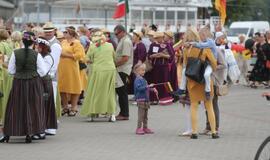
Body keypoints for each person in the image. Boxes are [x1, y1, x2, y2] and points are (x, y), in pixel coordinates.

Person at [0, 32, 48, 143]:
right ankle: (30, 132)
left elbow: (11, 71)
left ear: (22, 41)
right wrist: (32, 73)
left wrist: (20, 73)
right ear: (33, 42)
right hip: (33, 83)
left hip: (18, 83)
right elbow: (43, 71)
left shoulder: (15, 53)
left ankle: (9, 132)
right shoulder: (37, 55)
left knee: (15, 107)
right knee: (32, 107)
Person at [181, 27, 219, 139]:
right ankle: (213, 132)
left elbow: (185, 65)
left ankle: (194, 132)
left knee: (194, 106)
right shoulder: (205, 48)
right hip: (204, 81)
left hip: (192, 82)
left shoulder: (186, 50)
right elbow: (214, 64)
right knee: (209, 106)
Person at [80, 31, 116, 122]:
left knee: (95, 91)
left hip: (98, 71)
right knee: (109, 92)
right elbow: (113, 57)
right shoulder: (110, 45)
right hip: (110, 70)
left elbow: (86, 59)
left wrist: (92, 61)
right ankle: (112, 114)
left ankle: (92, 113)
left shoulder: (93, 46)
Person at [32, 37, 58, 140]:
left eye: (37, 45)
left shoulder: (47, 57)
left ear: (42, 47)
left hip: (44, 83)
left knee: (45, 104)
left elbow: (43, 71)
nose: (36, 47)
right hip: (38, 81)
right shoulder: (38, 56)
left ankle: (45, 128)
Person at [58, 27, 84, 116]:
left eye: (66, 32)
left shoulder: (77, 43)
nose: (64, 34)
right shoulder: (63, 42)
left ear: (71, 34)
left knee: (74, 88)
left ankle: (73, 107)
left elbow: (79, 55)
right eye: (64, 32)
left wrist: (66, 55)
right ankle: (65, 107)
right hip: (62, 67)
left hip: (72, 68)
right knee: (62, 88)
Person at [43, 22, 62, 135]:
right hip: (46, 76)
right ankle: (47, 125)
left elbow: (53, 64)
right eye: (46, 32)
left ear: (54, 31)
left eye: (50, 31)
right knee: (47, 101)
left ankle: (51, 127)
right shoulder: (47, 42)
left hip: (50, 77)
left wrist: (47, 76)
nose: (48, 33)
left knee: (51, 101)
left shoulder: (55, 45)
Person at [114, 25, 133, 120]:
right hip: (120, 69)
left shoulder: (126, 41)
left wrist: (114, 64)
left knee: (122, 92)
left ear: (122, 32)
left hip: (123, 69)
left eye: (117, 34)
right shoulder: (122, 40)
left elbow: (125, 58)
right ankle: (123, 112)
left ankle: (124, 114)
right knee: (121, 92)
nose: (116, 35)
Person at [133, 62, 155, 135]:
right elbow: (139, 88)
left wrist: (152, 89)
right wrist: (148, 86)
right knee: (141, 116)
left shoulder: (143, 79)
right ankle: (138, 128)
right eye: (142, 70)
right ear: (137, 71)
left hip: (146, 100)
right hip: (141, 100)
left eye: (144, 70)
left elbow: (146, 88)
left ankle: (145, 127)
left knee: (145, 116)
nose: (144, 71)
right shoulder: (137, 80)